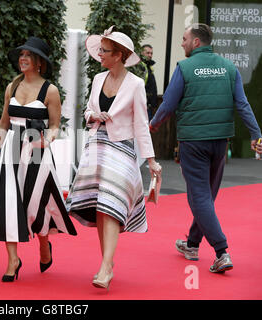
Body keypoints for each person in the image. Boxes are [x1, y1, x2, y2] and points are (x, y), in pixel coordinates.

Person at [150, 23, 262, 273]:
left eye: (184, 38)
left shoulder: (185, 67)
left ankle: (221, 252)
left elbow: (168, 103)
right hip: (220, 142)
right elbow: (242, 104)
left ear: (196, 42)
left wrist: (154, 124)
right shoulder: (229, 67)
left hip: (193, 141)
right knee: (206, 196)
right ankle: (191, 244)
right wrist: (256, 134)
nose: (182, 43)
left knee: (199, 197)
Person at [65, 26, 162, 290]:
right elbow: (87, 110)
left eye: (104, 51)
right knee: (100, 207)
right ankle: (107, 263)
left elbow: (142, 124)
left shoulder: (136, 84)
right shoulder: (98, 79)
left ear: (118, 55)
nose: (99, 55)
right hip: (97, 146)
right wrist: (93, 116)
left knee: (110, 205)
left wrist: (151, 160)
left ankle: (106, 267)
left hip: (121, 149)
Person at [0, 37, 77, 282]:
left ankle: (44, 244)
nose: (22, 58)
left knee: (38, 204)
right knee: (7, 203)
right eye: (21, 54)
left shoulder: (51, 90)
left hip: (36, 148)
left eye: (28, 55)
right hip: (10, 149)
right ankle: (13, 260)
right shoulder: (12, 86)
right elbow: (3, 123)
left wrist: (47, 140)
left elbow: (56, 126)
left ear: (39, 62)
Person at [139, 44, 158, 121]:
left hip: (148, 106)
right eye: (148, 53)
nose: (150, 55)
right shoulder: (140, 66)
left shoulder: (149, 66)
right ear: (141, 53)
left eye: (151, 53)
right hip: (142, 106)